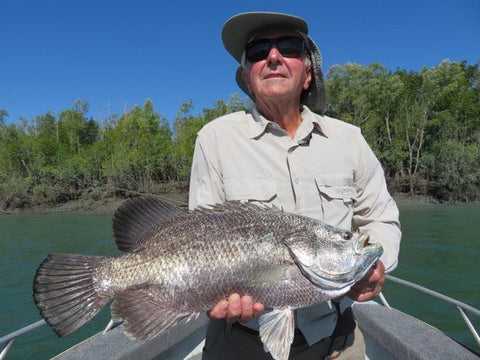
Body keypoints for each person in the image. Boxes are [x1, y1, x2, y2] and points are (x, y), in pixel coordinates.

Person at [189, 11, 401, 360]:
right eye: (258, 51)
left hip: (337, 339)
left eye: (288, 47)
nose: (273, 57)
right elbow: (200, 237)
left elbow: (380, 217)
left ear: (307, 74)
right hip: (240, 342)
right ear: (246, 76)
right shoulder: (214, 138)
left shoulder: (349, 140)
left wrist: (378, 264)